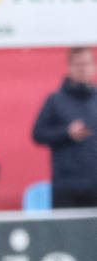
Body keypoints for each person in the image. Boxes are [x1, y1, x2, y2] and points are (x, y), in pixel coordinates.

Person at [32, 46, 97, 209]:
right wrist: (66, 133)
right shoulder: (55, 100)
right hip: (66, 187)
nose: (83, 68)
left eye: (87, 64)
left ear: (93, 66)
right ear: (69, 67)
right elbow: (38, 134)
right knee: (67, 234)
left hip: (95, 183)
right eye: (78, 64)